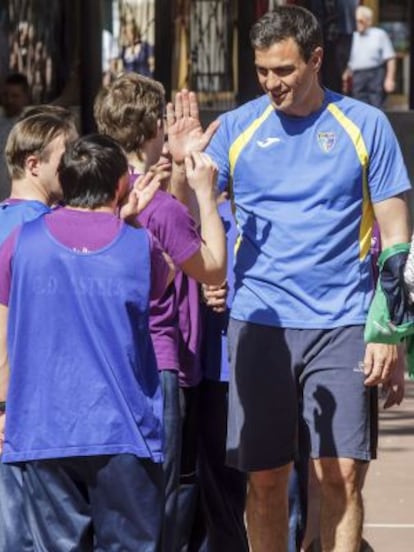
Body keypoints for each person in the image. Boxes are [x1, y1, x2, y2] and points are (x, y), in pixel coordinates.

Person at [202, 5, 411, 551]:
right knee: (267, 481)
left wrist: (392, 331)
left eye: (285, 70)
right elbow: (199, 219)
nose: (272, 83)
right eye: (263, 71)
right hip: (258, 324)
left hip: (341, 324)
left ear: (316, 60)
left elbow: (397, 238)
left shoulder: (366, 125)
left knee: (339, 475)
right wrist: (186, 175)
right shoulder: (237, 128)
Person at [0, 133, 173, 550]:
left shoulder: (19, 244)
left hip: (43, 429)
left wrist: (4, 407)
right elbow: (163, 277)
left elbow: (3, 334)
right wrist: (129, 219)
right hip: (124, 431)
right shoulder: (138, 245)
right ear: (121, 185)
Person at [94, 73, 225, 551]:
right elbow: (212, 267)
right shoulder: (159, 205)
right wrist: (202, 186)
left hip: (112, 359)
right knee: (167, 492)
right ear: (154, 125)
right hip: (162, 362)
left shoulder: (91, 197)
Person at [0, 108, 77, 551]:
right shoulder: (42, 231)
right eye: (65, 157)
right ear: (34, 165)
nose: (73, 166)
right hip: (32, 416)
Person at [343, 5, 396, 108]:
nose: (357, 24)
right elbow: (351, 60)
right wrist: (346, 75)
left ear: (369, 20)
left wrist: (390, 79)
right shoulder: (352, 36)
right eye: (356, 21)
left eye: (360, 21)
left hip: (375, 74)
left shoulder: (379, 34)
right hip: (357, 75)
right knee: (358, 107)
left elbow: (390, 58)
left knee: (376, 105)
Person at [0, 73, 31, 200]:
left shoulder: (29, 125)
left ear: (26, 97)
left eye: (15, 96)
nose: (9, 100)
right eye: (5, 95)